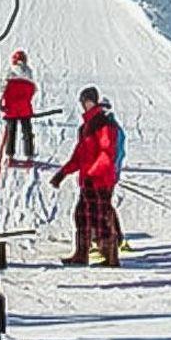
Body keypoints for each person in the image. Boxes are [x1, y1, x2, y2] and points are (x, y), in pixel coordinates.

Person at [51, 87, 122, 266]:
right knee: (82, 215)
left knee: (101, 216)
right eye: (83, 102)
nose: (84, 105)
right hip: (88, 180)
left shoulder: (103, 124)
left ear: (92, 101)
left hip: (100, 180)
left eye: (86, 101)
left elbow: (107, 153)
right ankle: (81, 254)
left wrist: (93, 172)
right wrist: (62, 173)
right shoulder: (86, 126)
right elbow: (79, 156)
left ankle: (110, 256)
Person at [0, 50, 38, 162]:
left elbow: (2, 88)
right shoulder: (29, 73)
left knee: (11, 132)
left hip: (11, 108)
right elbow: (33, 89)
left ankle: (10, 155)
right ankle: (29, 154)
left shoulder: (9, 72)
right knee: (27, 132)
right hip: (25, 108)